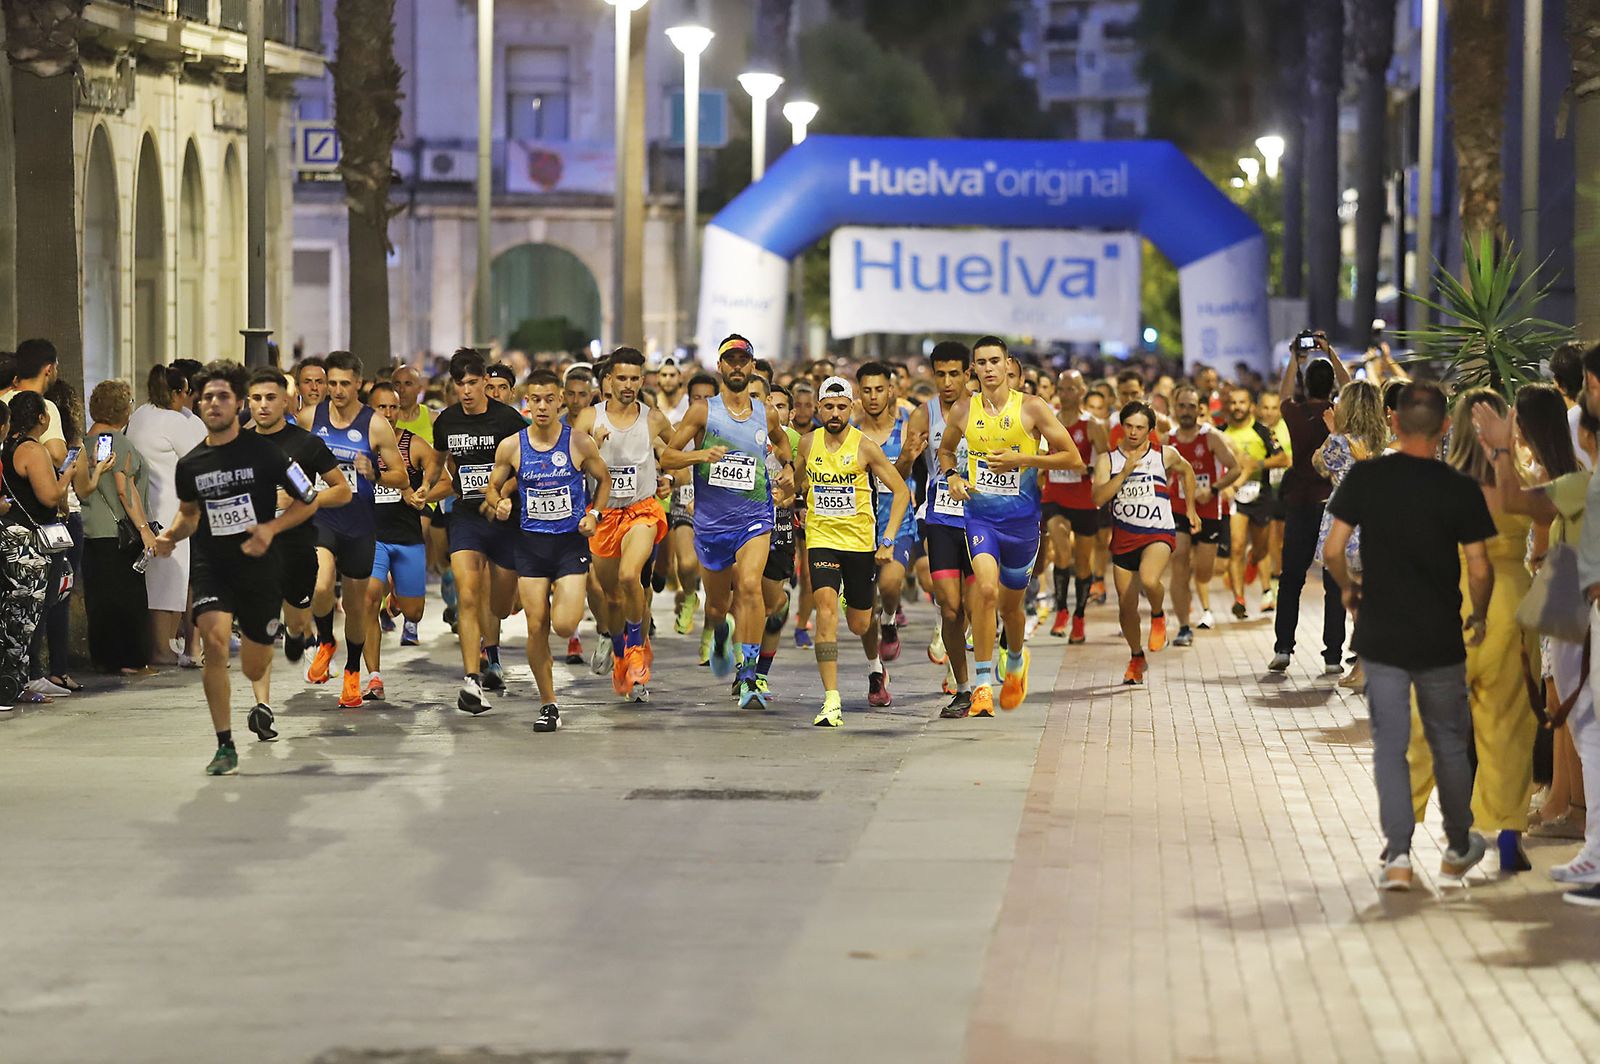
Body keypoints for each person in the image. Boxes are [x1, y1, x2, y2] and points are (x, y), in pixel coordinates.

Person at [1322, 380, 1493, 892]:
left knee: (1390, 745)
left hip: (1382, 635)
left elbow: (1334, 548)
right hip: (1440, 634)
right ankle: (1458, 846)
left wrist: (1350, 593)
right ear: (1443, 427)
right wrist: (1479, 613)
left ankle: (1397, 857)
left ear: (1394, 422)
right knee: (1447, 743)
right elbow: (1480, 567)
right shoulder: (1457, 486)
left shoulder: (1368, 477)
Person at [152, 361, 317, 775]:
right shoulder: (191, 464)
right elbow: (189, 515)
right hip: (213, 566)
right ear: (198, 402)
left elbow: (309, 498)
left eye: (223, 396)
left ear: (237, 403)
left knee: (254, 666)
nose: (213, 403)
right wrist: (171, 537)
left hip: (260, 568)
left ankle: (275, 634)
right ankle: (224, 744)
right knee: (215, 643)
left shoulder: (267, 452)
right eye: (206, 396)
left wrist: (271, 528)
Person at [1473, 382, 1600, 902]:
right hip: (1569, 601)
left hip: (1574, 604)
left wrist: (1501, 449)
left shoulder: (1577, 481)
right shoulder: (1577, 479)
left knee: (1587, 733)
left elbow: (1511, 501)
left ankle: (1592, 849)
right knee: (1581, 728)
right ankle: (1591, 846)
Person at [937, 336, 1086, 716]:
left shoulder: (1032, 408)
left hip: (1021, 524)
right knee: (985, 591)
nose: (988, 369)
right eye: (981, 362)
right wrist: (952, 474)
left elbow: (1073, 458)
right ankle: (983, 685)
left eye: (994, 361)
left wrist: (1024, 458)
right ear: (975, 369)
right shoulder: (962, 410)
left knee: (1011, 608)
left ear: (1008, 366)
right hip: (979, 517)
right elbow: (946, 449)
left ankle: (1017, 658)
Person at [661, 335, 794, 709]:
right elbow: (669, 457)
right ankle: (720, 634)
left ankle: (749, 674)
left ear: (752, 366)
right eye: (730, 360)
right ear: (720, 367)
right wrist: (701, 454)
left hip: (755, 518)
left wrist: (788, 469)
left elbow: (783, 444)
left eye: (743, 360)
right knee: (718, 606)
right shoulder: (703, 412)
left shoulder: (764, 413)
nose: (737, 366)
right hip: (711, 524)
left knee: (750, 587)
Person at [485, 369, 608, 731]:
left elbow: (604, 479)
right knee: (535, 625)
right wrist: (499, 504)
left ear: (560, 401)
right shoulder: (512, 445)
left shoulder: (579, 442)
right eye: (535, 399)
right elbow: (493, 488)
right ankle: (548, 703)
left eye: (548, 399)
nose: (541, 406)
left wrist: (595, 514)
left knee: (564, 624)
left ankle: (582, 615)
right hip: (530, 546)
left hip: (570, 544)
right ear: (527, 401)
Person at [420, 348, 531, 714]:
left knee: (501, 603)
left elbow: (525, 467)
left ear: (485, 381)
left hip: (503, 521)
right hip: (467, 517)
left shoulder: (508, 420)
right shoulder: (447, 421)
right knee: (468, 596)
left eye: (472, 382)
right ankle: (471, 680)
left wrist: (504, 495)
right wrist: (425, 486)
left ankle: (495, 632)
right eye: (459, 384)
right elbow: (438, 464)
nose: (466, 390)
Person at [245, 368, 351, 733]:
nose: (262, 405)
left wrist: (305, 498)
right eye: (256, 399)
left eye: (270, 398)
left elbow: (342, 490)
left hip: (297, 545)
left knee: (296, 618)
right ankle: (262, 706)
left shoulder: (306, 444)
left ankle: (297, 634)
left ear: (285, 401)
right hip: (256, 545)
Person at [799, 376, 909, 726]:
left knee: (860, 624)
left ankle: (875, 658)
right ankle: (832, 699)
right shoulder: (806, 444)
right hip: (821, 539)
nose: (834, 413)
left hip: (860, 545)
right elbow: (797, 481)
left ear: (852, 407)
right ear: (818, 409)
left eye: (841, 407)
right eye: (828, 407)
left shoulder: (865, 448)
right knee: (825, 613)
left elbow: (902, 492)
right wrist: (787, 493)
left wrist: (888, 538)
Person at [304, 352, 407, 708]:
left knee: (357, 605)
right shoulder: (310, 418)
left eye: (344, 383)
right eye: (331, 383)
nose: (336, 390)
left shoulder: (375, 424)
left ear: (358, 384)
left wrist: (374, 472)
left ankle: (351, 672)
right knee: (319, 584)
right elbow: (287, 458)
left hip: (360, 523)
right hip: (323, 517)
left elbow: (402, 477)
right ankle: (324, 641)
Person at [573, 348, 672, 701]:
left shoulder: (653, 418)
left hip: (642, 511)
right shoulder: (588, 417)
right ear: (609, 381)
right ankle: (619, 654)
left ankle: (634, 648)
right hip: (604, 516)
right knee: (612, 598)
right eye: (622, 378)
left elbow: (673, 453)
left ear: (642, 381)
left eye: (635, 378)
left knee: (632, 578)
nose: (628, 385)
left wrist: (671, 476)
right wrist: (592, 447)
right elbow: (569, 464)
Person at [1094, 401, 1197, 683]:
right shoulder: (1108, 460)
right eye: (1129, 426)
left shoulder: (1165, 454)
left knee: (1151, 580)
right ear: (1121, 426)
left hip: (1158, 532)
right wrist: (1125, 473)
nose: (1134, 432)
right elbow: (1098, 498)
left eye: (1140, 427)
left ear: (1150, 430)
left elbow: (1187, 471)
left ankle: (1158, 614)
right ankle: (1136, 656)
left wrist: (1190, 508)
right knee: (1126, 607)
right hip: (1124, 538)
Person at [1270, 332, 1352, 674]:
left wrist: (1295, 357)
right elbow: (1350, 390)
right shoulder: (1341, 414)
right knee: (1335, 580)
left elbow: (1283, 394)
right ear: (1331, 383)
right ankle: (1333, 654)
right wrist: (1330, 351)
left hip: (1300, 502)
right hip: (1334, 504)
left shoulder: (1295, 412)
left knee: (1291, 577)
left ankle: (1283, 648)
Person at [906, 342, 976, 717]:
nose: (948, 382)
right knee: (950, 609)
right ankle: (963, 688)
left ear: (969, 374)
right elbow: (900, 473)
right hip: (942, 518)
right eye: (941, 374)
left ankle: (981, 681)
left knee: (978, 604)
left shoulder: (986, 411)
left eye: (955, 374)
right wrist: (907, 457)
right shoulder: (923, 415)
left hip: (983, 520)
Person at [127, 363, 207, 666]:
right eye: (186, 392)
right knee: (171, 582)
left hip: (145, 509)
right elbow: (199, 459)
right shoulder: (173, 421)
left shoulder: (140, 415)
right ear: (175, 393)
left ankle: (159, 646)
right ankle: (162, 649)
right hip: (173, 511)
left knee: (156, 584)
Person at [79, 380, 159, 675]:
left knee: (99, 600)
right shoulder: (119, 442)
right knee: (128, 598)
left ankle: (105, 659)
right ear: (122, 409)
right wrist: (144, 528)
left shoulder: (82, 444)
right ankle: (131, 661)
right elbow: (125, 489)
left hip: (90, 532)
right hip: (118, 534)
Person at [1312, 380, 1387, 689]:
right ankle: (1365, 665)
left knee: (1356, 601)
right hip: (1379, 522)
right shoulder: (1383, 440)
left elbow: (1319, 464)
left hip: (1348, 527)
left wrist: (1332, 432)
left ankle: (1366, 667)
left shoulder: (1340, 441)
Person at [364, 381, 435, 694]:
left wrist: (424, 491)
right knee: (368, 600)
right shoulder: (358, 445)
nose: (389, 413)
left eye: (393, 407)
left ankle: (396, 600)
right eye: (382, 407)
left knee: (413, 611)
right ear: (371, 410)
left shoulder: (413, 444)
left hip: (406, 536)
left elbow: (444, 477)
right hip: (371, 536)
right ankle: (374, 677)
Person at [0, 393, 69, 708]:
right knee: (26, 615)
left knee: (13, 613)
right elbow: (49, 497)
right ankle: (15, 683)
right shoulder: (33, 450)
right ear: (42, 418)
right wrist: (67, 473)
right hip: (29, 546)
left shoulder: (10, 448)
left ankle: (14, 681)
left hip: (13, 537)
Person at [852, 362, 916, 662]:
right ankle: (875, 671)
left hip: (898, 524)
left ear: (891, 391)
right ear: (859, 395)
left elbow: (908, 477)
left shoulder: (906, 432)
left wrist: (905, 459)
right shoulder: (850, 437)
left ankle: (889, 619)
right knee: (864, 611)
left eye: (879, 389)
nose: (874, 397)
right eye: (867, 391)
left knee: (889, 584)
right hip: (858, 530)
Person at [1168, 385, 1240, 647]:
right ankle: (1184, 627)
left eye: (1191, 406)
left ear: (1199, 409)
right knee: (1179, 561)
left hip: (1209, 510)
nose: (1186, 411)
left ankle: (1197, 595)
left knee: (1205, 572)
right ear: (1174, 408)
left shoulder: (1210, 437)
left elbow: (1235, 468)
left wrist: (1214, 489)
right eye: (1181, 406)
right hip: (1178, 509)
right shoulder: (1168, 440)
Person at [1220, 386, 1286, 619]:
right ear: (1228, 406)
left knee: (1261, 549)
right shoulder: (1221, 432)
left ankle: (1254, 560)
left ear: (1251, 407)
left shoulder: (1263, 431)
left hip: (1261, 495)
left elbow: (1283, 458)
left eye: (1242, 402)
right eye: (1233, 403)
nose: (1237, 407)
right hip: (1234, 497)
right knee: (1236, 546)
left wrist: (1255, 465)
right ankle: (1239, 599)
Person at [292, 357, 327, 422]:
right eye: (307, 382)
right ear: (297, 387)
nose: (314, 387)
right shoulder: (286, 424)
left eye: (319, 382)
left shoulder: (340, 424)